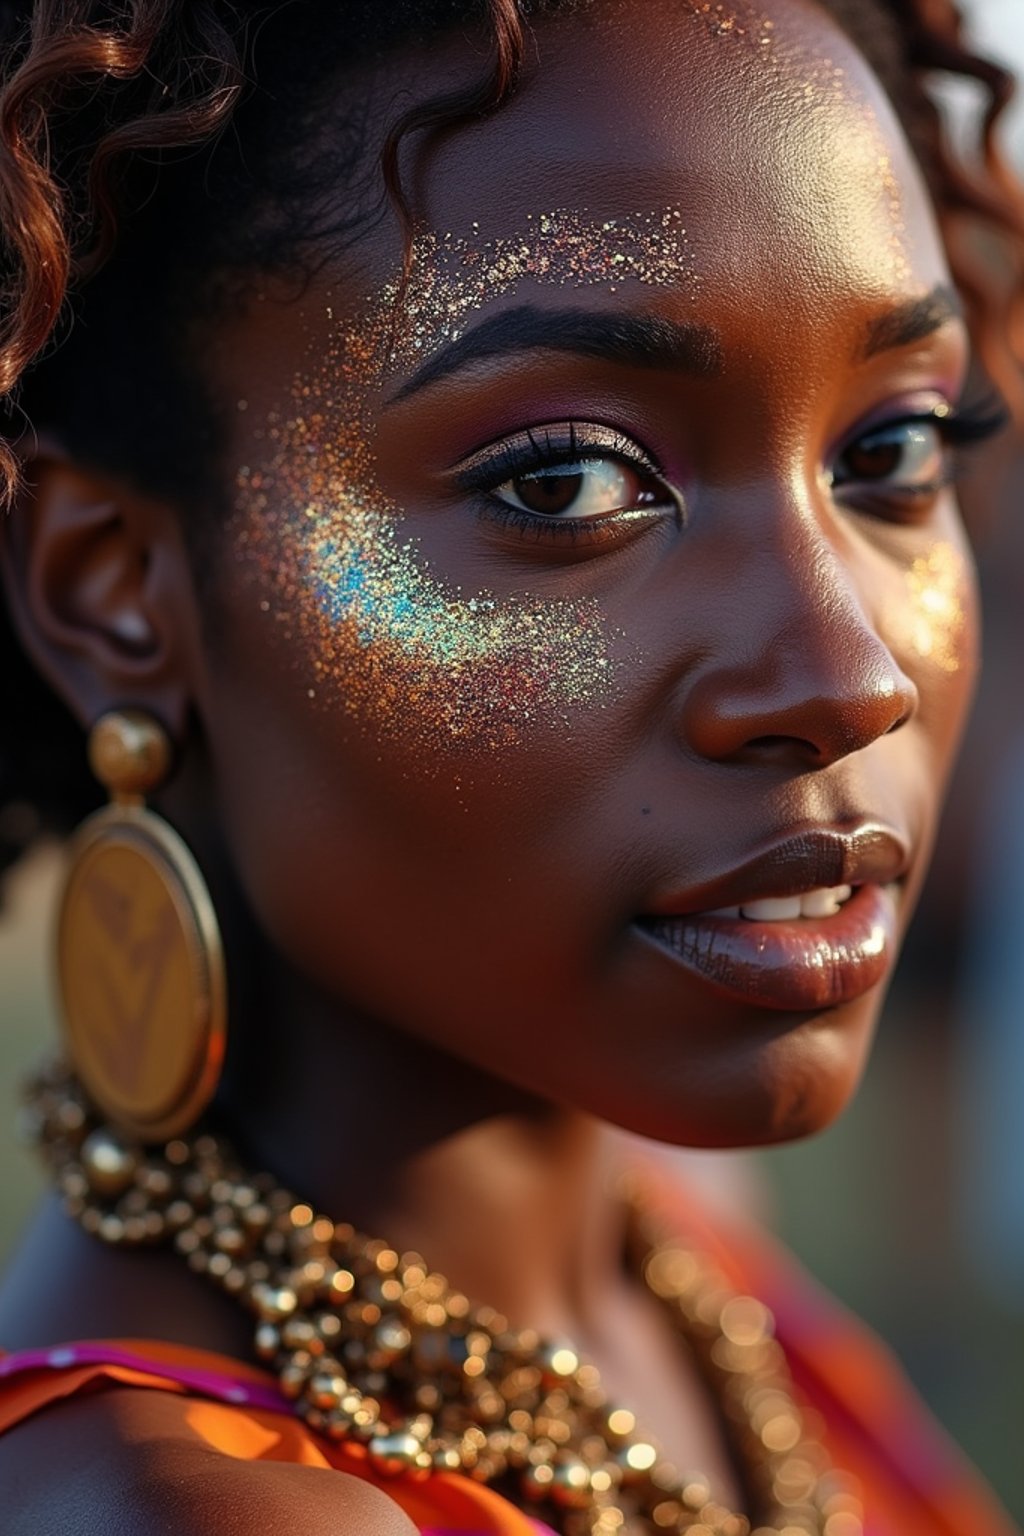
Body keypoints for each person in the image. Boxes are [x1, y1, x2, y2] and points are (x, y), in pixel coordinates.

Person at [0, 1, 1020, 1532]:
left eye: (892, 454)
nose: (845, 676)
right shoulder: (188, 1509)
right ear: (114, 591)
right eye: (567, 479)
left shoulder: (678, 1256)